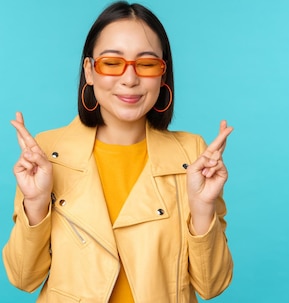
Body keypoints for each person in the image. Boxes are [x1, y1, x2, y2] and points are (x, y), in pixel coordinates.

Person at [2, 2, 234, 302]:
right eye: (111, 63)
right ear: (89, 71)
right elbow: (23, 278)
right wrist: (35, 204)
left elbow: (212, 285)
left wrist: (203, 210)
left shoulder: (192, 154)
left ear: (163, 75)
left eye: (147, 64)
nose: (130, 78)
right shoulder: (47, 152)